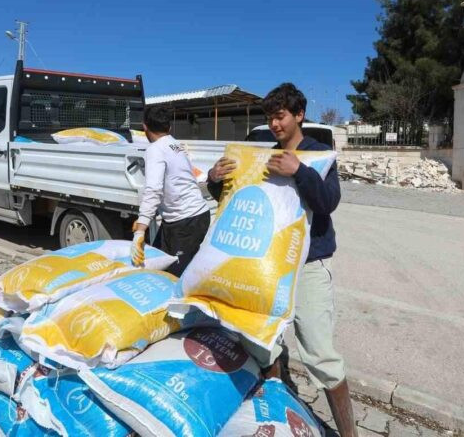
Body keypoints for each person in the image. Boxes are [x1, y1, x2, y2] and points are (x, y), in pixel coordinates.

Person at [206, 83, 358, 437]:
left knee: (320, 354)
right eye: (270, 118)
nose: (274, 124)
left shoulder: (318, 154)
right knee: (265, 344)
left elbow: (328, 202)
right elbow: (240, 195)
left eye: (280, 116)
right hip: (271, 265)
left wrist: (299, 171)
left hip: (309, 267)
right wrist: (215, 181)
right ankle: (276, 416)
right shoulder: (265, 156)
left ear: (298, 115)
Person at [131, 106, 210, 277]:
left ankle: (180, 303)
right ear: (169, 127)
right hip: (189, 217)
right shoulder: (175, 144)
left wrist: (140, 229)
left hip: (186, 221)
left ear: (144, 127)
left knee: (174, 276)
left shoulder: (155, 149)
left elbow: (153, 189)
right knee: (156, 261)